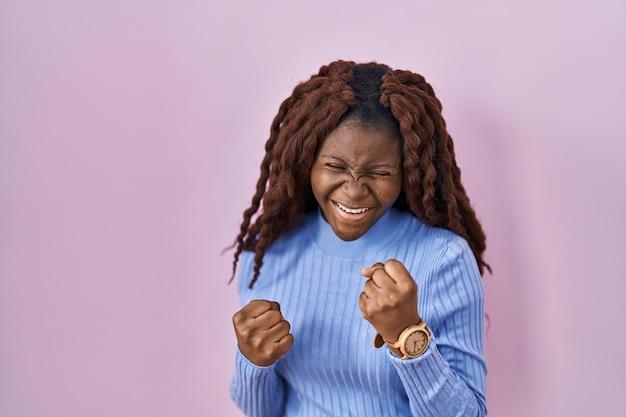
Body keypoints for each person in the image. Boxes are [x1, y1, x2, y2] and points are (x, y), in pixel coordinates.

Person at [229, 60, 489, 417]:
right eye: (335, 167)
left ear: (406, 173)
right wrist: (252, 362)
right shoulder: (269, 249)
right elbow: (263, 411)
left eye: (379, 172)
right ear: (307, 162)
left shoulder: (443, 258)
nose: (353, 192)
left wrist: (405, 335)